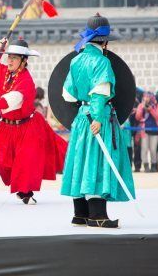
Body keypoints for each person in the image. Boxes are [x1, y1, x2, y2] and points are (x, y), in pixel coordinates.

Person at [61, 14, 136, 228]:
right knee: (96, 163)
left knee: (81, 162)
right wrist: (98, 118)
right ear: (104, 41)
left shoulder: (75, 60)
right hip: (97, 119)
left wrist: (85, 109)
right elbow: (101, 93)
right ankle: (98, 216)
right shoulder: (102, 61)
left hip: (81, 119)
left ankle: (80, 214)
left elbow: (68, 94)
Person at [0, 38, 67, 205]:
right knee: (0, 160)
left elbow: (10, 101)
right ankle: (20, 185)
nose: (10, 60)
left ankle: (26, 192)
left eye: (15, 58)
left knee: (26, 162)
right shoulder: (3, 71)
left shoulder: (26, 82)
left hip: (27, 127)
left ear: (24, 61)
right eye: (9, 57)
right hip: (7, 126)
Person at [135, 92, 158, 172]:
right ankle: (146, 165)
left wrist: (151, 110)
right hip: (144, 131)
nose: (146, 98)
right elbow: (137, 118)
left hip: (155, 131)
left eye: (148, 97)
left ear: (151, 97)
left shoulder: (157, 106)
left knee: (153, 149)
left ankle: (153, 165)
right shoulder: (140, 105)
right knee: (144, 148)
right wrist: (142, 108)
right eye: (145, 97)